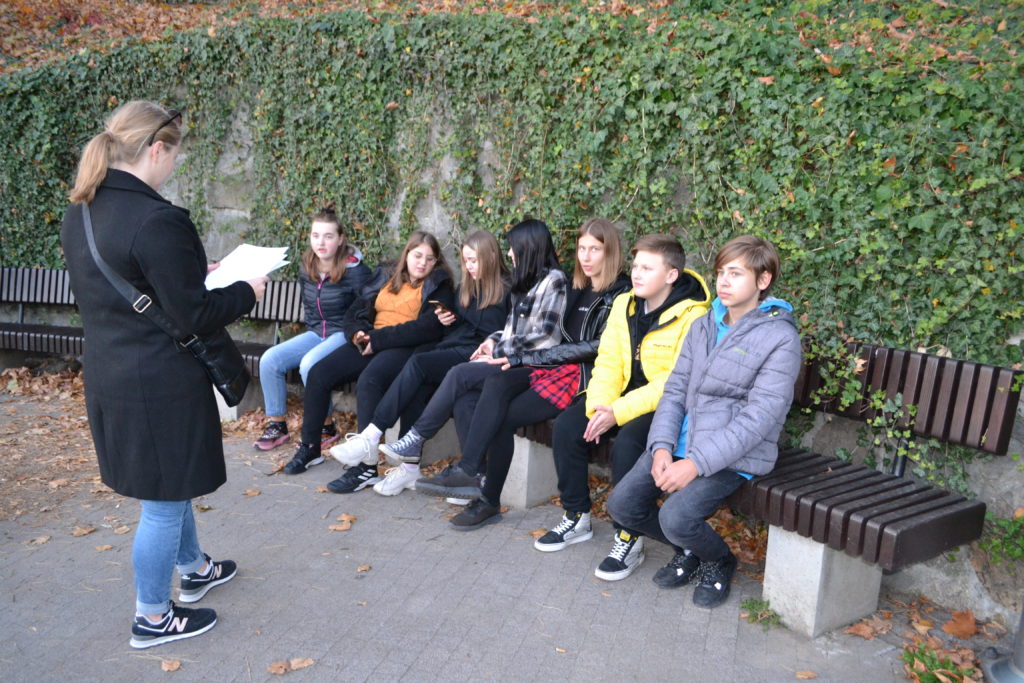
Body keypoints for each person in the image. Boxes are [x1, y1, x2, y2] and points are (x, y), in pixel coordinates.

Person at [60, 101, 268, 648]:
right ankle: (152, 616)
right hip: (159, 383)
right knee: (163, 502)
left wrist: (193, 275)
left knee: (170, 484)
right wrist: (246, 290)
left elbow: (134, 285)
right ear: (156, 149)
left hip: (110, 373)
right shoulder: (157, 219)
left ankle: (194, 569)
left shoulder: (82, 210)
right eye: (174, 154)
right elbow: (195, 314)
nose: (174, 165)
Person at [606, 235, 802, 608]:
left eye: (736, 274)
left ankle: (719, 560)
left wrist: (695, 463)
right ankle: (691, 550)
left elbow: (760, 418)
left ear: (763, 280)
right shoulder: (704, 324)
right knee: (623, 506)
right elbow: (675, 390)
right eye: (721, 272)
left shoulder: (780, 338)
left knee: (676, 517)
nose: (724, 282)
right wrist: (661, 447)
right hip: (681, 442)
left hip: (733, 454)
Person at [414, 218, 631, 531]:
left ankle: (478, 482)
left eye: (594, 249)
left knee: (500, 408)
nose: (585, 256)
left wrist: (522, 357)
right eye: (582, 248)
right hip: (548, 366)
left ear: (610, 252)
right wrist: (506, 348)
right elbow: (542, 332)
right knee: (488, 397)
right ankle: (480, 487)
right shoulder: (575, 286)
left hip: (580, 378)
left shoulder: (619, 293)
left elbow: (595, 347)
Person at [533, 234, 711, 585]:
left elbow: (675, 381)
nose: (636, 274)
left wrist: (618, 412)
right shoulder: (624, 304)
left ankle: (628, 535)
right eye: (636, 266)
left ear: (671, 275)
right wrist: (600, 405)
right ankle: (577, 515)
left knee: (630, 443)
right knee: (569, 425)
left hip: (664, 403)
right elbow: (609, 360)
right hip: (618, 395)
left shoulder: (694, 315)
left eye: (647, 268)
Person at [377, 219, 568, 488]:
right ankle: (475, 476)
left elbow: (547, 337)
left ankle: (416, 438)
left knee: (459, 374)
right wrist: (492, 341)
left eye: (513, 248)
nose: (509, 253)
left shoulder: (553, 281)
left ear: (530, 247)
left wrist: (498, 349)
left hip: (531, 365)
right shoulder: (527, 281)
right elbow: (510, 329)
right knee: (464, 401)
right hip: (510, 357)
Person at [327, 229, 509, 495]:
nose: (469, 266)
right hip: (457, 348)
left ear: (491, 256)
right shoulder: (468, 285)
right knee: (417, 387)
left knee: (418, 364)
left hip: (477, 356)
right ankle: (409, 469)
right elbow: (460, 324)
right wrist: (449, 319)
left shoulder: (506, 288)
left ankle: (371, 436)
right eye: (466, 261)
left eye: (474, 260)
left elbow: (511, 330)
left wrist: (492, 342)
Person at [281, 230, 455, 489]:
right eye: (418, 256)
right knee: (319, 373)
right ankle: (310, 447)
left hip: (404, 346)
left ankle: (366, 468)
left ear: (436, 262)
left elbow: (428, 328)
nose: (423, 263)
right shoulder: (386, 274)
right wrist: (357, 334)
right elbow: (356, 309)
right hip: (370, 340)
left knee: (369, 380)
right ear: (407, 254)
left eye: (429, 259)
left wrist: (378, 339)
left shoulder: (439, 284)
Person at [252, 205, 370, 451]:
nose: (321, 242)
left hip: (343, 334)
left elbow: (365, 311)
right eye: (316, 236)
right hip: (316, 333)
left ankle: (325, 427)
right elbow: (310, 307)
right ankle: (277, 425)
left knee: (310, 364)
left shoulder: (356, 271)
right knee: (270, 359)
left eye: (328, 236)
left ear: (340, 239)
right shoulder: (308, 266)